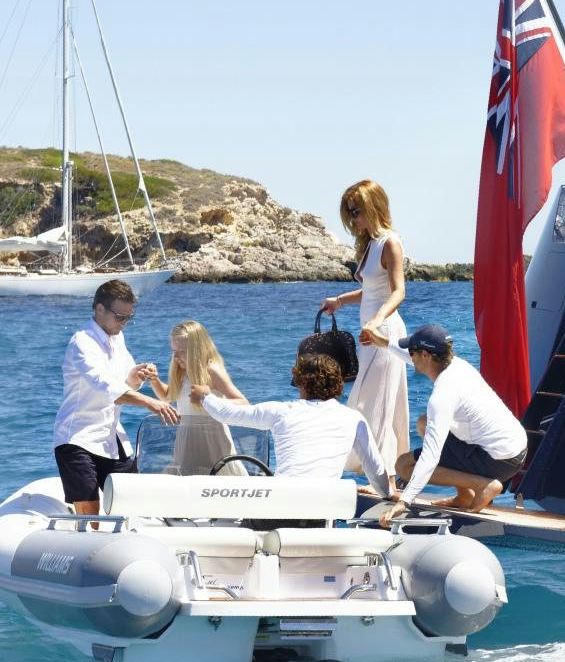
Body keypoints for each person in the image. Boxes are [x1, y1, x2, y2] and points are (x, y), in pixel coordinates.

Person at [366, 324, 527, 523]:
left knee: (404, 466)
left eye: (413, 351)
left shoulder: (443, 394)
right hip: (514, 451)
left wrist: (404, 501)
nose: (410, 357)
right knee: (424, 423)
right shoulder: (456, 365)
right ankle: (465, 496)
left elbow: (431, 456)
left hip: (498, 461)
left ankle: (483, 486)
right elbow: (410, 357)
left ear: (426, 355)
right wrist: (382, 341)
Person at [53, 279, 180, 516]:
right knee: (90, 514)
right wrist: (151, 403)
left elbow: (126, 383)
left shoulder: (117, 338)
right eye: (120, 317)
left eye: (128, 318)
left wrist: (138, 374)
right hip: (77, 439)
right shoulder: (83, 342)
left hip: (111, 437)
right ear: (100, 309)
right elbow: (107, 388)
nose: (124, 324)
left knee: (136, 504)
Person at [191, 352, 392, 496]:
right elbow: (376, 471)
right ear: (338, 384)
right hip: (323, 508)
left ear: (302, 383)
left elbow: (228, 414)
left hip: (283, 504)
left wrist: (205, 396)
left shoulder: (281, 411)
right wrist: (387, 494)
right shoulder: (353, 418)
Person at [320, 179, 410, 473]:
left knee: (374, 402)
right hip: (371, 333)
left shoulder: (390, 242)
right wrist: (339, 301)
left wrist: (377, 320)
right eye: (350, 212)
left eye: (356, 211)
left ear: (373, 206)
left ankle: (387, 478)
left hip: (384, 332)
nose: (353, 219)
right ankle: (390, 474)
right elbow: (371, 291)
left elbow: (398, 291)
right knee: (376, 401)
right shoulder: (371, 244)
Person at [151, 320, 249, 475]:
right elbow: (168, 395)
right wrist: (154, 380)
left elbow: (244, 403)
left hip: (214, 445)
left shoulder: (211, 370)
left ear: (197, 349)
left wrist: (208, 398)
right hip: (187, 445)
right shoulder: (182, 372)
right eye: (173, 351)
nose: (176, 356)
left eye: (181, 351)